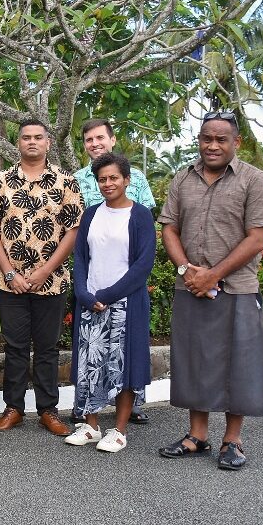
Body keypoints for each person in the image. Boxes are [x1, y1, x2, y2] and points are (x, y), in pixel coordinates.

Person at [157, 111, 263, 470]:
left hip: (237, 288)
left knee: (237, 364)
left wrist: (214, 275)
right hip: (190, 286)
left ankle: (232, 440)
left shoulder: (255, 181)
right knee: (195, 359)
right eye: (206, 138)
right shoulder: (182, 178)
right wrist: (187, 270)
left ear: (236, 142)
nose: (212, 145)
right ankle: (197, 436)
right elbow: (169, 228)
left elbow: (258, 237)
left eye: (221, 139)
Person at [0, 119, 82, 437]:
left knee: (47, 347)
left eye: (38, 137)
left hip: (51, 281)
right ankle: (13, 408)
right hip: (8, 281)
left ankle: (48, 411)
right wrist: (10, 272)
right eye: (26, 137)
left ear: (49, 142)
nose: (32, 142)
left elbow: (73, 231)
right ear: (18, 142)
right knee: (14, 346)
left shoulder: (66, 182)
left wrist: (44, 271)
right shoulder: (0, 181)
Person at [65, 153, 155, 453]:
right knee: (90, 365)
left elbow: (143, 266)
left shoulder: (140, 215)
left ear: (127, 180)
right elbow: (80, 257)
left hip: (125, 306)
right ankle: (90, 426)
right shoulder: (90, 214)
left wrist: (106, 295)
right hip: (90, 303)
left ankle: (118, 430)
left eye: (113, 177)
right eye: (102, 179)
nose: (107, 183)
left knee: (123, 366)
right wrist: (83, 294)